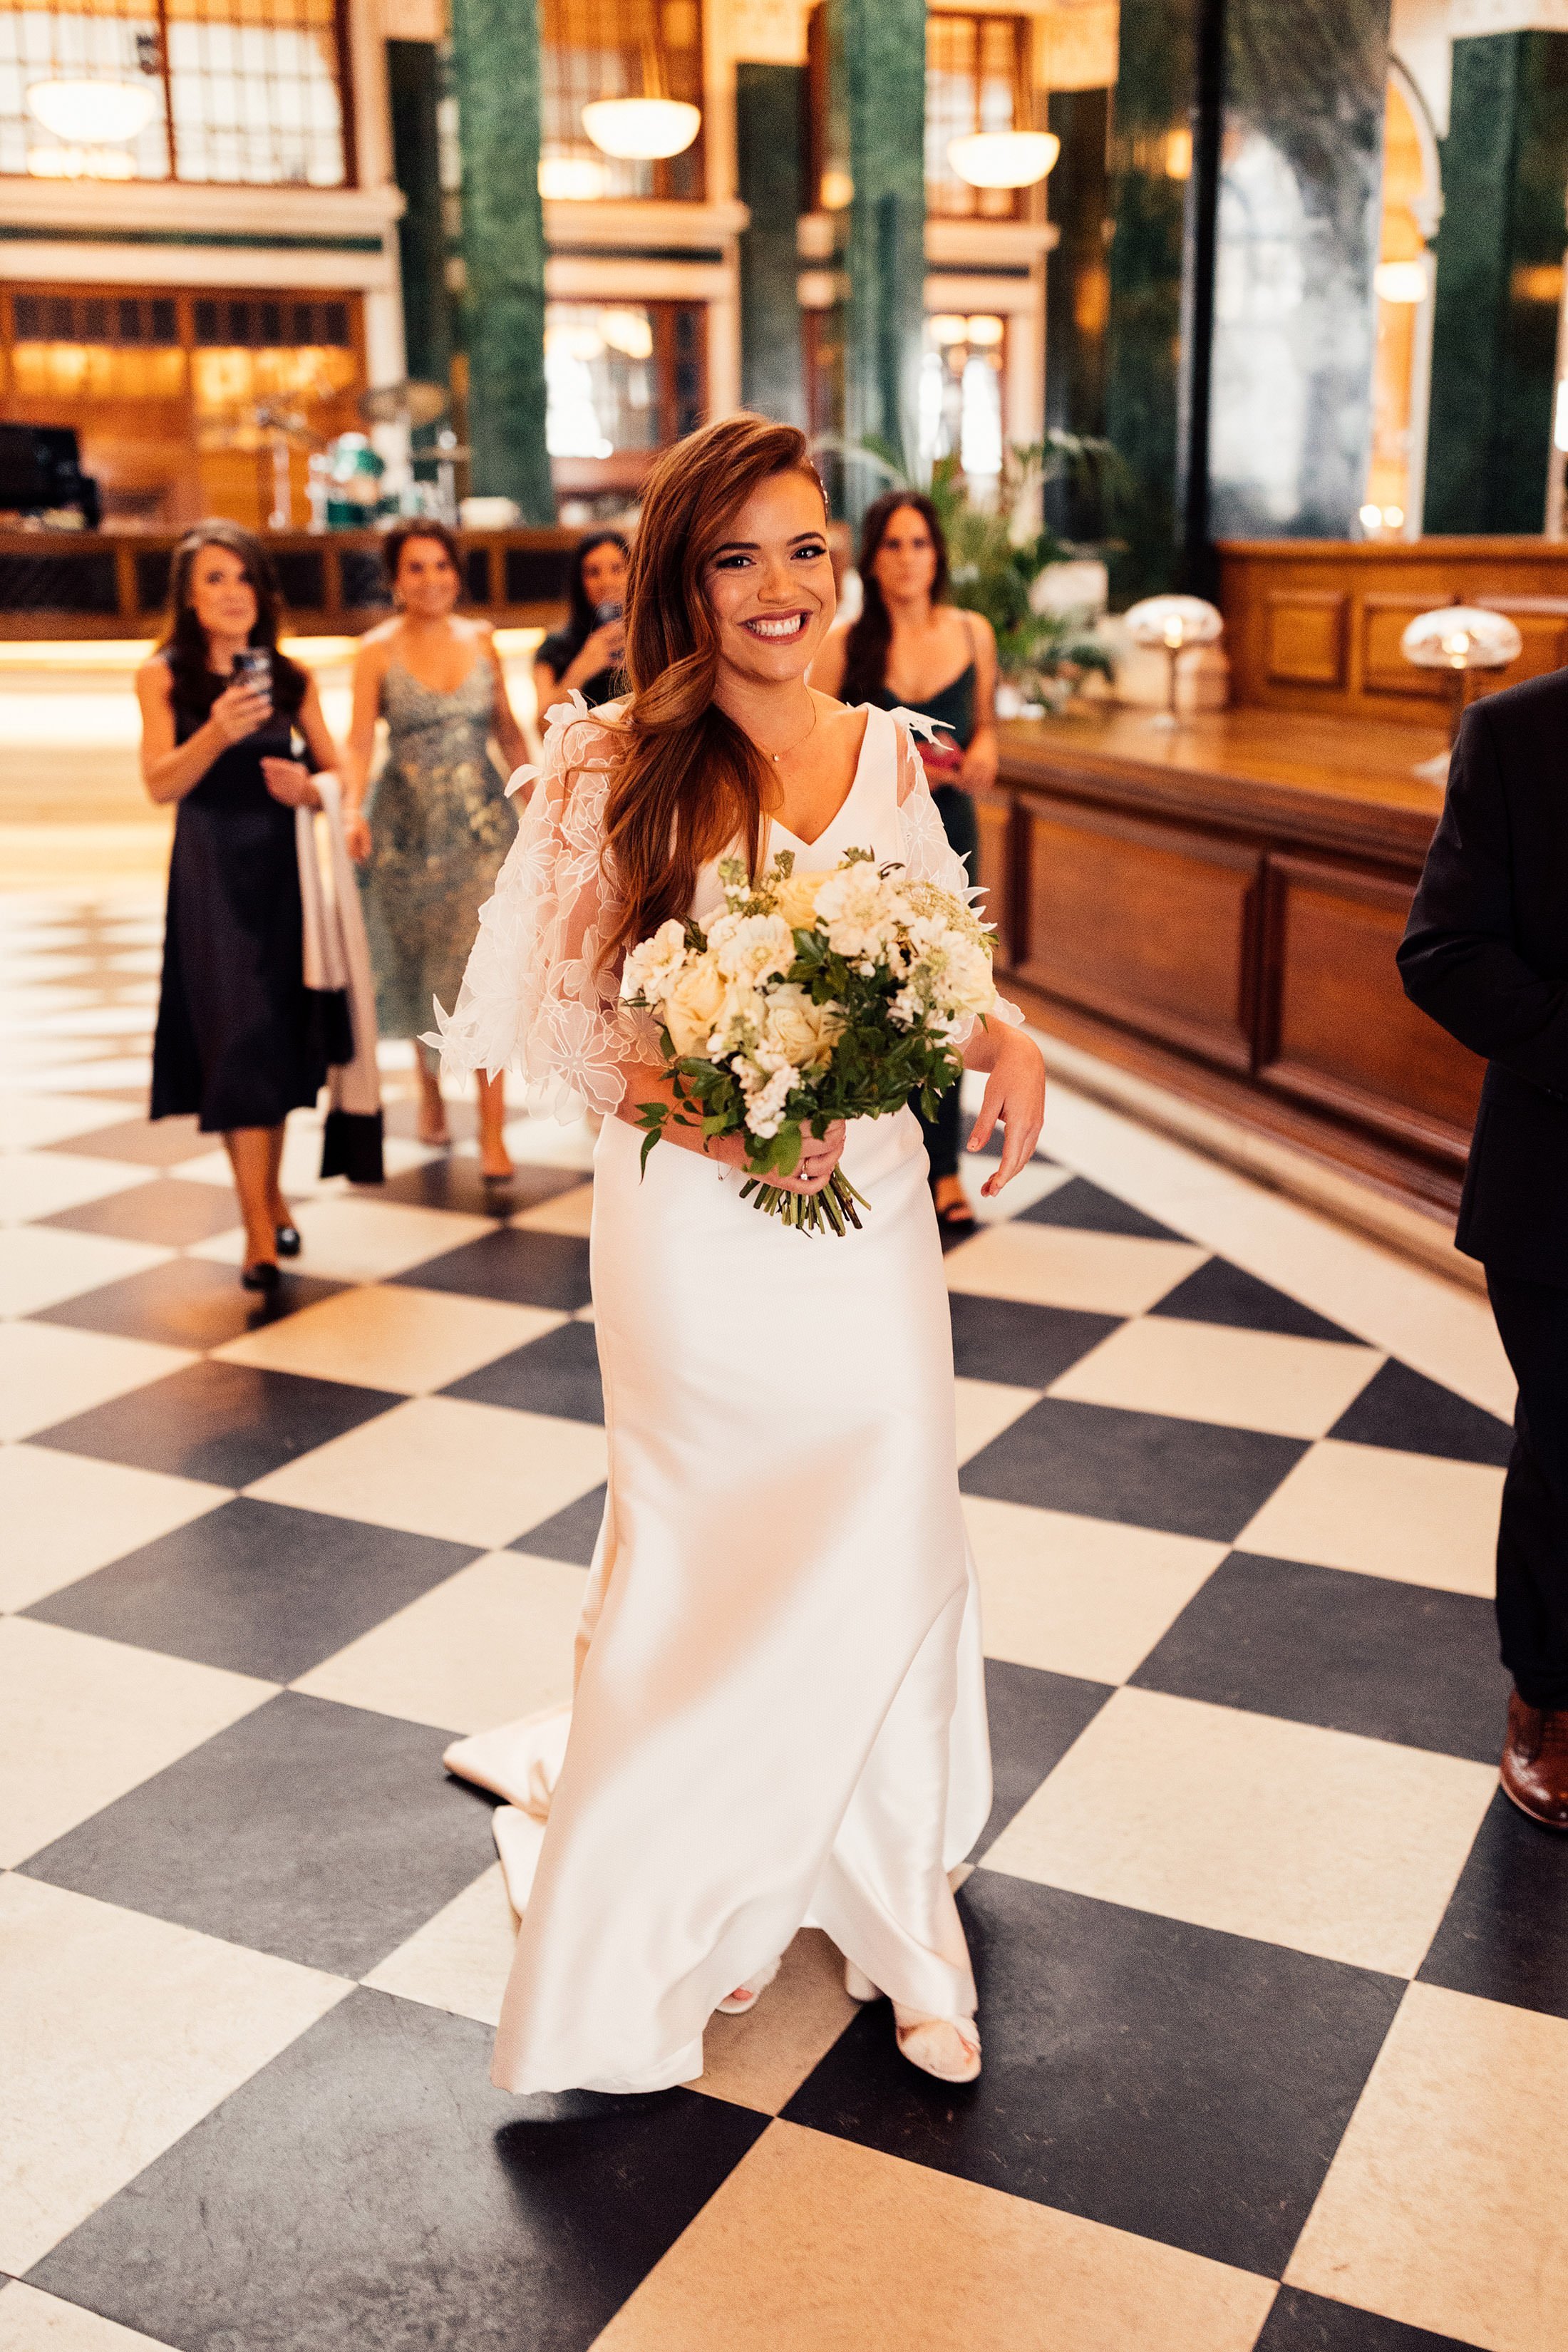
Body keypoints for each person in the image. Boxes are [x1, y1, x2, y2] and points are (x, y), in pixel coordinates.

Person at [430, 412, 1046, 2096]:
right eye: (736, 556)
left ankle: (891, 1885)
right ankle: (689, 1887)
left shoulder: (889, 752)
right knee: (708, 1547)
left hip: (868, 1222)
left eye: (805, 551)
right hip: (696, 1228)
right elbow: (559, 1015)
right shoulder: (613, 758)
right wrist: (724, 1122)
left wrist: (1011, 1038)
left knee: (894, 1501)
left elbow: (942, 953)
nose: (780, 588)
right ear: (680, 580)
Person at [1398, 671, 1568, 1830]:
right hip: (1562, 1183)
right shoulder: (1517, 735)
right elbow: (1443, 950)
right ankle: (1548, 1696)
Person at [140, 522, 337, 1292]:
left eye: (243, 578)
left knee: (274, 1036)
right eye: (215, 579)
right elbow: (159, 783)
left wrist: (313, 789)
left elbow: (338, 768)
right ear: (189, 597)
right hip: (210, 873)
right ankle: (257, 1225)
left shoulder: (289, 678)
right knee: (236, 1035)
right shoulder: (163, 676)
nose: (231, 594)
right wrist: (217, 734)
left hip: (283, 873)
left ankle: (267, 1195)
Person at [811, 492, 999, 1237]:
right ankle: (879, 1150)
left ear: (937, 554)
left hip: (951, 828)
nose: (907, 558)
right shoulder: (845, 645)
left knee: (949, 988)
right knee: (879, 988)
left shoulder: (972, 633)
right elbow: (817, 746)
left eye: (919, 543)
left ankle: (947, 1167)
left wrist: (984, 752)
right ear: (870, 558)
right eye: (891, 545)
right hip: (874, 838)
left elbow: (987, 731)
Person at [342, 520, 530, 1179]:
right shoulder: (375, 651)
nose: (431, 580)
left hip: (482, 828)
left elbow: (507, 727)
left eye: (442, 566)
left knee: (483, 973)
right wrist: (348, 809)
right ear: (395, 580)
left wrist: (538, 799)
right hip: (407, 832)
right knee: (418, 963)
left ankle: (492, 1129)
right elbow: (360, 742)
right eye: (416, 568)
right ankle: (428, 1095)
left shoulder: (483, 640)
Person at [532, 530, 631, 715]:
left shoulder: (655, 639)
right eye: (593, 572)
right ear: (580, 582)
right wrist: (584, 665)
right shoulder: (555, 646)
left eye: (617, 569)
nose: (606, 582)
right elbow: (543, 726)